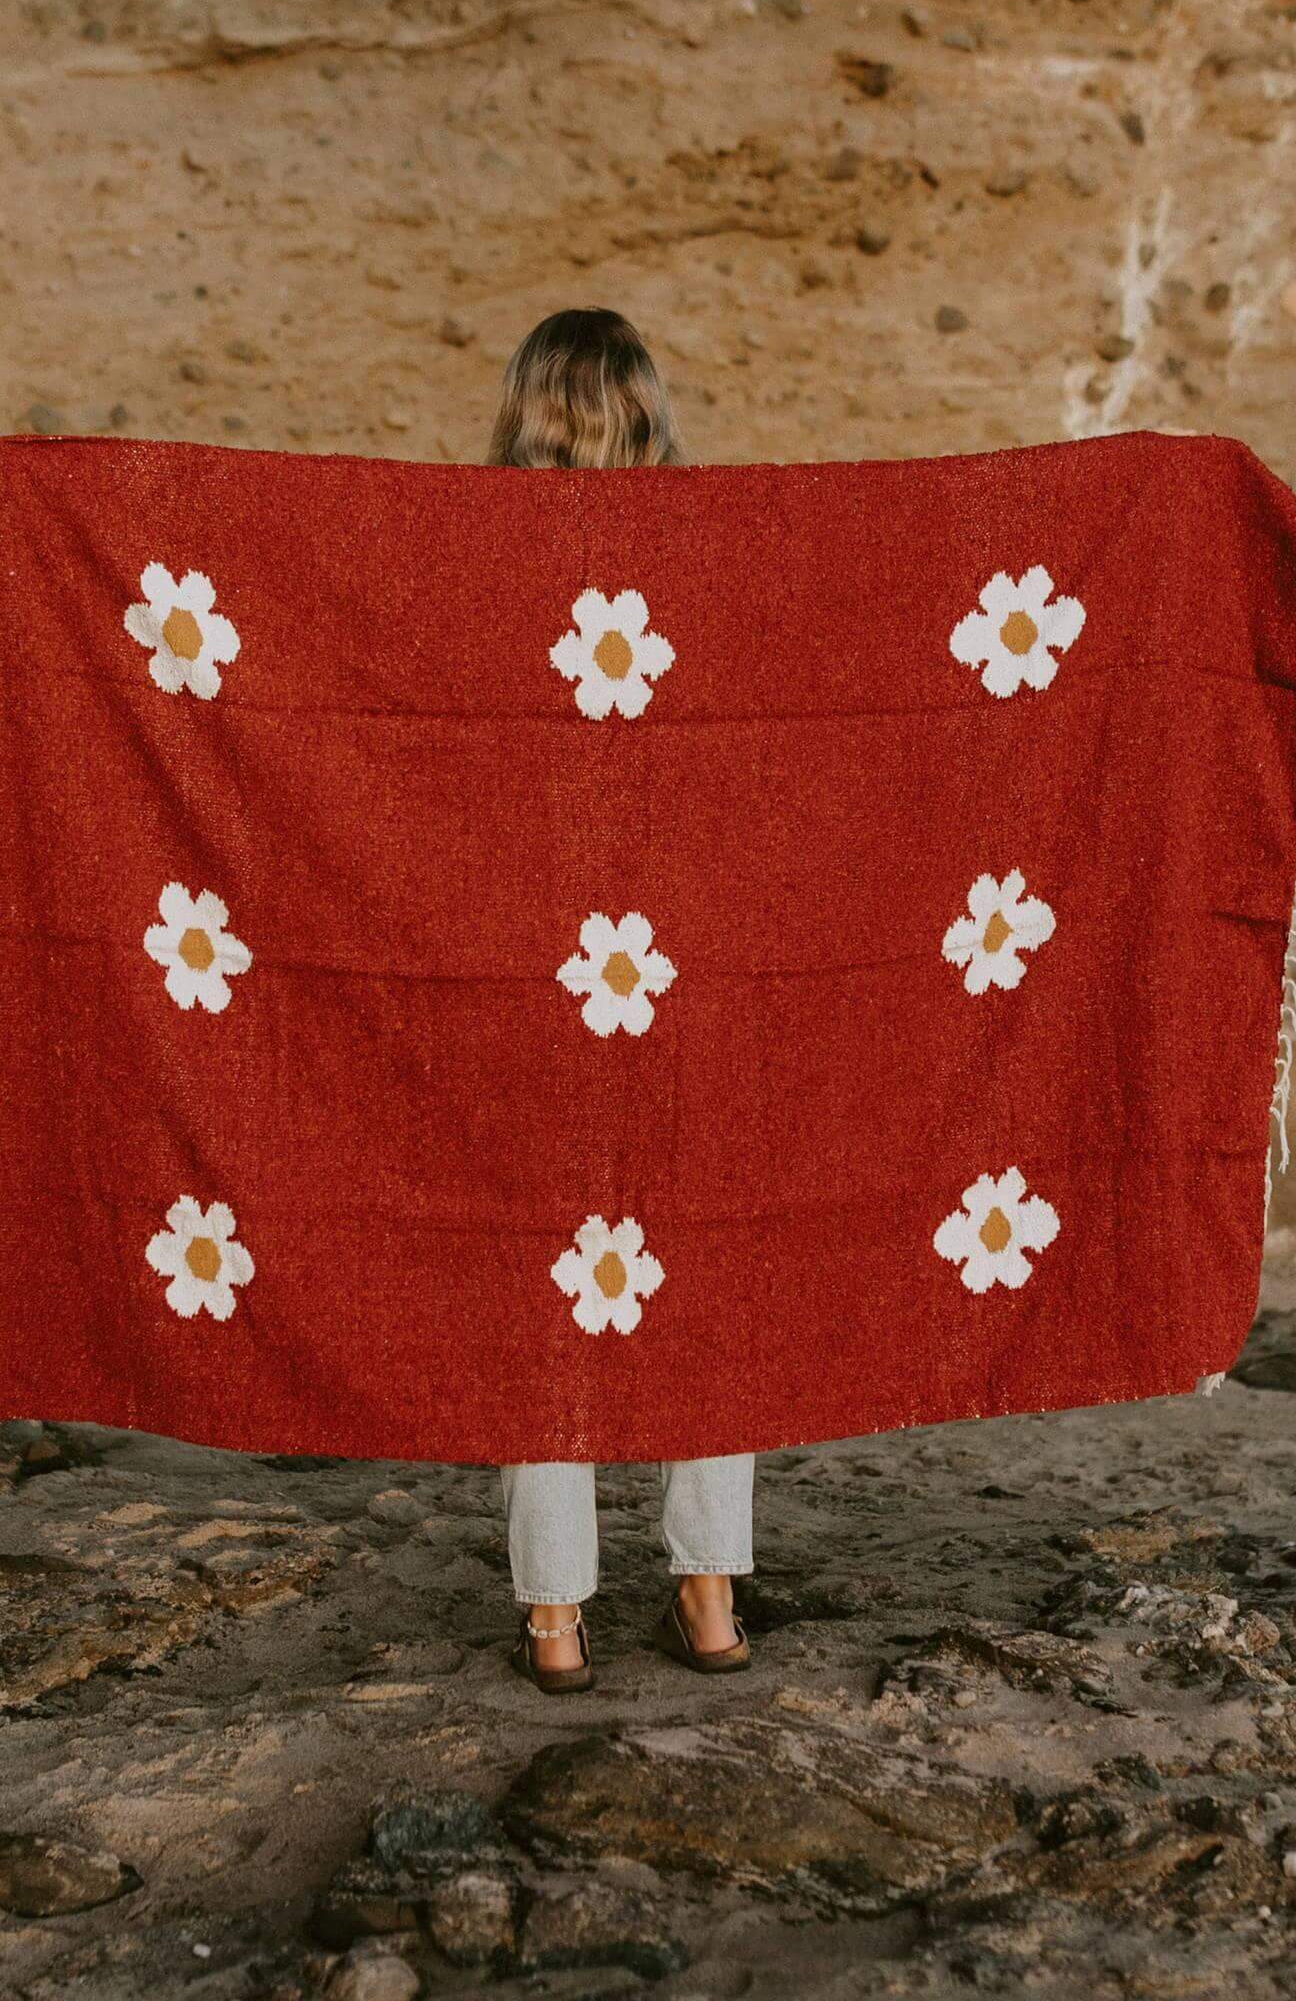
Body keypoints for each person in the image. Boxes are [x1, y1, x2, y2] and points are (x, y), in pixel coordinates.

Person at [483, 307, 755, 1693]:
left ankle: (555, 1620)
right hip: (689, 967)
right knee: (696, 1273)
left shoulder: (460, 564)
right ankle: (707, 1598)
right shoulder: (718, 560)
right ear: (648, 408)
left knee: (548, 1285)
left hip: (525, 984)